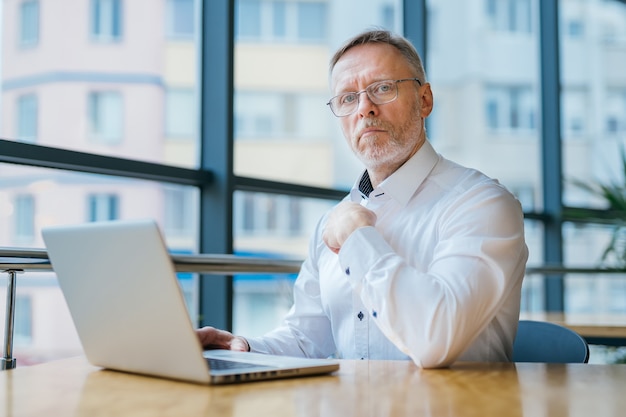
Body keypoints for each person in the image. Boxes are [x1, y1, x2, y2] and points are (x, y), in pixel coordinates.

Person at [197, 29, 528, 368]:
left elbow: (436, 338)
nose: (365, 109)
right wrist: (242, 347)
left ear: (425, 100)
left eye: (383, 88)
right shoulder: (336, 220)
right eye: (347, 98)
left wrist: (358, 237)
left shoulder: (482, 204)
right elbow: (306, 338)